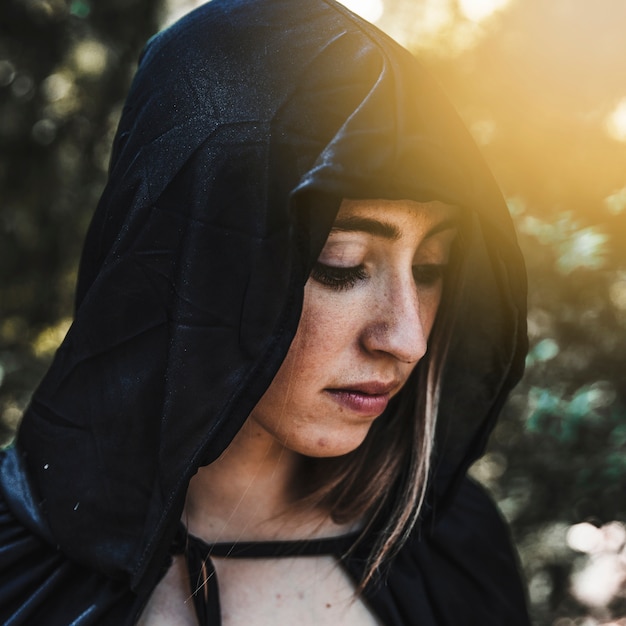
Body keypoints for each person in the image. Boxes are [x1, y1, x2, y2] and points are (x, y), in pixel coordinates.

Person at [0, 0, 530, 624]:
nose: (407, 338)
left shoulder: (452, 553)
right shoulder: (16, 568)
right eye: (341, 262)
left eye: (432, 269)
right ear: (196, 260)